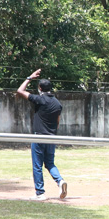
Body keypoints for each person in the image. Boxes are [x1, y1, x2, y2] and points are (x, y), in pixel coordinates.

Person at [16, 71, 67, 201]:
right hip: (51, 137)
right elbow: (57, 122)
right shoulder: (57, 103)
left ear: (40, 88)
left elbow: (20, 91)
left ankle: (40, 193)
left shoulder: (39, 99)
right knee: (50, 163)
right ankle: (60, 181)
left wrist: (29, 77)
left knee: (37, 165)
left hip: (39, 137)